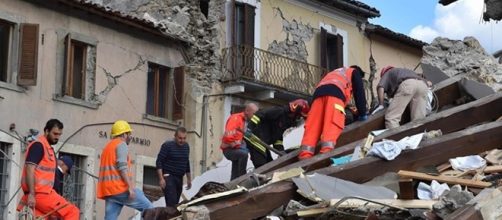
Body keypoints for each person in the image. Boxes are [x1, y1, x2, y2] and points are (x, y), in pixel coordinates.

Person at [299, 66, 368, 160]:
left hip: (317, 96)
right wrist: (362, 113)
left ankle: (305, 155)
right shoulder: (354, 72)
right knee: (332, 124)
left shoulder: (334, 72)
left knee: (313, 125)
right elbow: (359, 92)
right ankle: (326, 153)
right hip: (335, 96)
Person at [17, 119, 80, 219]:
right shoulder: (39, 146)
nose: (57, 137)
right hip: (40, 194)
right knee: (72, 211)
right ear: (46, 131)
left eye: (59, 134)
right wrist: (32, 194)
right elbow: (29, 168)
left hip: (42, 194)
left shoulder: (47, 148)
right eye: (55, 134)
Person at [97, 120, 153, 220]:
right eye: (129, 133)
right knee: (150, 209)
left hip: (109, 191)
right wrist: (130, 188)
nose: (130, 136)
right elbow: (122, 167)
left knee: (110, 218)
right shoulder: (121, 144)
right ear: (124, 134)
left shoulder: (107, 147)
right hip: (120, 189)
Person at [247, 99, 310, 167]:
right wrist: (250, 128)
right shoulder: (278, 111)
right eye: (299, 115)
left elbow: (278, 136)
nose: (299, 118)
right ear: (295, 112)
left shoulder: (286, 120)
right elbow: (259, 114)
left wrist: (280, 150)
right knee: (261, 164)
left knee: (270, 164)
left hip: (263, 142)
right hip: (255, 138)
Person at [220, 102, 259, 180]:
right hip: (230, 149)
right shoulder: (236, 118)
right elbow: (228, 136)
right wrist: (233, 143)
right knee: (244, 154)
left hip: (237, 149)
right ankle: (243, 179)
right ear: (247, 111)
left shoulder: (245, 121)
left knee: (236, 168)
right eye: (254, 113)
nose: (255, 116)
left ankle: (233, 182)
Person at [156, 127, 192, 207]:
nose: (182, 140)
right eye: (180, 138)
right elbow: (159, 161)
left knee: (175, 205)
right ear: (175, 136)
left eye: (184, 138)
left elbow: (186, 163)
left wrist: (189, 179)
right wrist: (161, 179)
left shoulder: (186, 146)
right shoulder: (167, 145)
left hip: (179, 178)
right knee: (171, 204)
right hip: (168, 177)